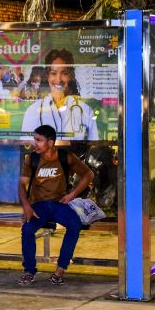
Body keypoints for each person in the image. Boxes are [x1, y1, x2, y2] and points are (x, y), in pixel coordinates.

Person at [17, 124, 93, 286]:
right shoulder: (32, 159)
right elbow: (22, 185)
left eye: (39, 140)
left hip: (59, 205)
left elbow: (88, 174)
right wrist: (27, 207)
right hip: (39, 206)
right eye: (34, 139)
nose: (35, 143)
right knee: (27, 229)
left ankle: (60, 270)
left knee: (75, 224)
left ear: (51, 143)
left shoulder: (66, 157)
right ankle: (29, 271)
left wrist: (72, 195)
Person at [20, 49, 99, 140]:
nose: (58, 80)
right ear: (47, 76)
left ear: (71, 75)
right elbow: (26, 148)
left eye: (64, 73)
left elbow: (93, 148)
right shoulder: (33, 111)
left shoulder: (86, 111)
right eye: (53, 73)